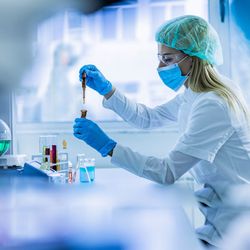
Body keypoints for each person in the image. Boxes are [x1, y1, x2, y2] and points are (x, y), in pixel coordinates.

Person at [73, 15, 250, 248]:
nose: (160, 67)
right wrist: (108, 90)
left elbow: (166, 173)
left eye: (168, 59)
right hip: (221, 219)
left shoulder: (213, 103)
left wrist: (108, 146)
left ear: (194, 58)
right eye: (160, 58)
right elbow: (149, 118)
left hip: (235, 228)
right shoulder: (196, 93)